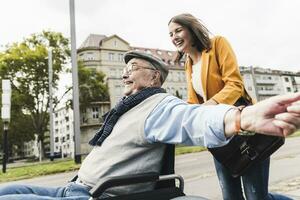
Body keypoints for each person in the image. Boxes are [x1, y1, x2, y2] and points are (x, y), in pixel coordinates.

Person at [0, 51, 300, 200]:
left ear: (154, 77)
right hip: (68, 187)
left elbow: (191, 119)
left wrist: (242, 117)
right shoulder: (124, 110)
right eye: (125, 69)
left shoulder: (158, 104)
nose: (125, 74)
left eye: (132, 68)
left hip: (93, 195)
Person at [168, 13, 291, 200]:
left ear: (191, 29)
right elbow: (194, 102)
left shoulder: (217, 44)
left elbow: (234, 84)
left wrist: (208, 107)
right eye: (170, 34)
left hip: (244, 131)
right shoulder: (188, 64)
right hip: (219, 138)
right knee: (230, 197)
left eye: (178, 30)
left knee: (256, 197)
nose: (174, 37)